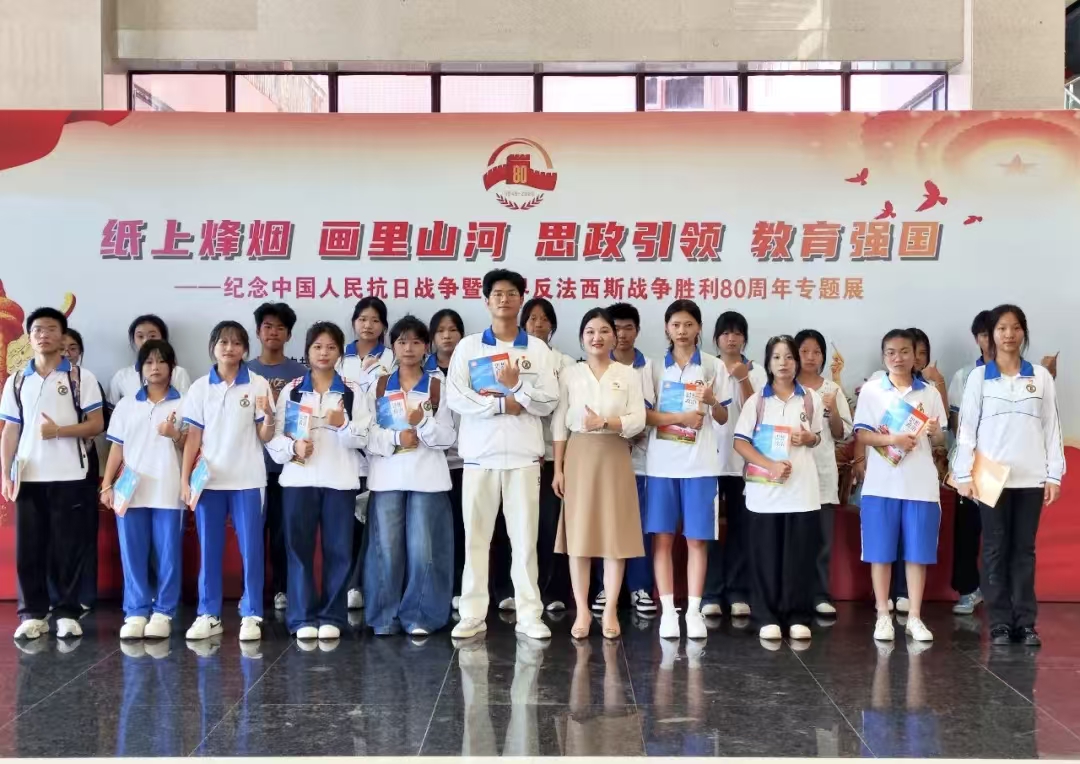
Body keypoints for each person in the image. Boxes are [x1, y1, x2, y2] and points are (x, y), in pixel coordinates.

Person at [447, 268, 559, 641]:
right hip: (479, 458)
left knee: (524, 541)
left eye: (512, 293)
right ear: (486, 300)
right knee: (476, 540)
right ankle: (472, 614)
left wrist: (518, 392)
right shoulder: (469, 347)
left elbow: (549, 401)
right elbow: (456, 397)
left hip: (524, 459)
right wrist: (500, 405)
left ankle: (529, 614)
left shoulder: (537, 349)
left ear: (521, 299)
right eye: (497, 293)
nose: (504, 299)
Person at [953, 304, 1064, 647]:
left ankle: (1025, 623)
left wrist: (1054, 475)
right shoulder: (979, 378)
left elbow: (1052, 428)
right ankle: (1000, 622)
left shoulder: (1040, 377)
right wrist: (963, 474)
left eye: (1015, 328)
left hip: (1031, 478)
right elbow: (966, 430)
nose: (1009, 335)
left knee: (1024, 551)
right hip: (991, 477)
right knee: (994, 550)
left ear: (1023, 333)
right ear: (991, 335)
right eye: (1001, 328)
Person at [2, 307, 105, 640]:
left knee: (68, 547)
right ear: (29, 337)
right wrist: (6, 474)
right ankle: (33, 614)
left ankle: (67, 612)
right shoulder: (17, 380)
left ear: (62, 337)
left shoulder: (80, 378)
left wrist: (59, 431)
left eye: (50, 329)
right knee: (29, 548)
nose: (43, 334)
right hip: (29, 476)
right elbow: (10, 430)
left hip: (71, 475)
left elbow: (96, 424)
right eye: (37, 330)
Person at [267, 321, 369, 641]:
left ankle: (332, 617)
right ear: (307, 351)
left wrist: (343, 425)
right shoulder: (292, 389)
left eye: (331, 347)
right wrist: (292, 447)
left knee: (339, 551)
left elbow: (364, 437)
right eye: (317, 347)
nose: (324, 353)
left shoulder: (352, 390)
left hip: (340, 481)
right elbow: (274, 438)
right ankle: (301, 617)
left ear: (340, 352)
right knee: (298, 551)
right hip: (299, 481)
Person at [551, 308, 646, 639]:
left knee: (613, 537)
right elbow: (559, 423)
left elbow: (638, 419)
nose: (597, 337)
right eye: (590, 331)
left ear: (614, 337)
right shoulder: (570, 374)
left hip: (615, 454)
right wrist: (558, 468)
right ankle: (581, 610)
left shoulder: (628, 374)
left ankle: (609, 611)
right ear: (582, 338)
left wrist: (606, 421)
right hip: (579, 455)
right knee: (579, 538)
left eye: (604, 331)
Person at [181, 321, 275, 643]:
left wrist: (269, 416)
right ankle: (209, 614)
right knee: (209, 550)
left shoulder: (258, 384)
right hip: (209, 482)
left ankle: (251, 614)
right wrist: (185, 481)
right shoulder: (200, 388)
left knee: (251, 550)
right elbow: (193, 438)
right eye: (223, 342)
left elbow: (265, 435)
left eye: (236, 343)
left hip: (248, 480)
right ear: (213, 347)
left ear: (245, 349)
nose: (229, 348)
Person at [365, 315, 457, 636]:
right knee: (386, 550)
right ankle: (384, 617)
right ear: (392, 346)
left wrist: (423, 424)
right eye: (402, 342)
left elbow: (448, 436)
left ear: (426, 346)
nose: (408, 348)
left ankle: (421, 616)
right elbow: (367, 434)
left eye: (416, 342)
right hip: (387, 478)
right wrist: (396, 438)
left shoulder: (437, 385)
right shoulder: (379, 385)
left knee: (424, 550)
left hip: (427, 479)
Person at [854, 329, 947, 643]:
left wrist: (934, 431)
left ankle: (915, 617)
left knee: (917, 553)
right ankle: (883, 614)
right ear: (884, 356)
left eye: (905, 351)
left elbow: (940, 438)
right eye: (891, 352)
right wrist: (893, 439)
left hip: (920, 485)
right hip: (881, 485)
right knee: (880, 552)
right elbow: (862, 434)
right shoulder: (872, 391)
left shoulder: (929, 393)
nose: (898, 358)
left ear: (915, 355)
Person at [645, 300, 730, 641]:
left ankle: (693, 611)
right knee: (663, 539)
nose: (682, 331)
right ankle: (668, 611)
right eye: (676, 325)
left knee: (697, 540)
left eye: (688, 324)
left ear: (699, 328)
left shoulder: (713, 367)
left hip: (700, 466)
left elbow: (723, 417)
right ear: (667, 328)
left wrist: (711, 401)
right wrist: (679, 418)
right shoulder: (653, 368)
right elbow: (645, 415)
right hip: (661, 466)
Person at [734, 335, 824, 642]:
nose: (783, 363)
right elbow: (740, 443)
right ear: (768, 363)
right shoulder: (757, 401)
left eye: (788, 357)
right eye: (776, 357)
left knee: (799, 557)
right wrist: (769, 465)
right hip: (765, 494)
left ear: (796, 362)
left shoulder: (810, 398)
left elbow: (818, 437)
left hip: (802, 491)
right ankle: (765, 615)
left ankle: (797, 615)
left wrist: (810, 438)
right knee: (765, 557)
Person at [100, 339, 186, 640]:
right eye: (148, 362)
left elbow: (192, 447)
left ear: (172, 367)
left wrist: (174, 434)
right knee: (132, 554)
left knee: (168, 555)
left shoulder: (185, 403)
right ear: (140, 368)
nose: (155, 367)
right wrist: (106, 484)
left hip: (169, 488)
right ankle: (135, 611)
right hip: (130, 490)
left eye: (161, 361)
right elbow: (116, 448)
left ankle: (163, 612)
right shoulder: (127, 404)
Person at [591, 302, 657, 616]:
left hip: (641, 462)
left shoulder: (650, 367)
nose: (621, 334)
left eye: (628, 327)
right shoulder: (594, 366)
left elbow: (652, 411)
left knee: (639, 526)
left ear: (637, 331)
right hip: (605, 460)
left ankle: (640, 587)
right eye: (615, 328)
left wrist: (636, 428)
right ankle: (605, 587)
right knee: (604, 524)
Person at [702, 311, 767, 619]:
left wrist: (743, 378)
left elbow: (760, 414)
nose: (731, 338)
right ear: (716, 338)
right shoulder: (706, 368)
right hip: (709, 461)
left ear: (745, 338)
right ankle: (711, 593)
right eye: (726, 333)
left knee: (742, 529)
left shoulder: (758, 372)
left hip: (744, 463)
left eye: (738, 333)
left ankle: (738, 591)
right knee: (710, 530)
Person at [247, 302, 307, 614]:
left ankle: (282, 588)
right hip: (250, 468)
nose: (274, 332)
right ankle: (253, 591)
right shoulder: (245, 371)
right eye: (268, 326)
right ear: (258, 332)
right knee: (253, 533)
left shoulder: (300, 373)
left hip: (286, 467)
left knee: (285, 533)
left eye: (280, 327)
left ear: (289, 335)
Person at [339, 296, 395, 612]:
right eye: (362, 319)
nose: (368, 325)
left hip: (380, 451)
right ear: (354, 323)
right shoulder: (340, 357)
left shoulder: (392, 357)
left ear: (384, 326)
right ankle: (350, 584)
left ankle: (364, 584)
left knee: (375, 525)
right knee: (348, 526)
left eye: (375, 320)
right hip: (346, 452)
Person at [519, 296, 574, 613]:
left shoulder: (563, 362)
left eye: (543, 319)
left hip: (554, 457)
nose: (538, 324)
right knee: (521, 527)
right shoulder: (513, 357)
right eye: (532, 318)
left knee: (551, 527)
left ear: (552, 325)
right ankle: (520, 590)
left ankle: (552, 591)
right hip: (521, 455)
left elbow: (562, 410)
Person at [794, 329, 853, 617]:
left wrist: (833, 412)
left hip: (822, 472)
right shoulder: (785, 386)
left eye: (816, 352)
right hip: (791, 473)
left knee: (822, 539)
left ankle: (820, 594)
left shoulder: (832, 390)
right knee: (793, 538)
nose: (810, 357)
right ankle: (793, 594)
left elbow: (842, 435)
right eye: (804, 351)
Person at [946, 309, 993, 616]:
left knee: (1001, 533)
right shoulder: (965, 375)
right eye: (985, 334)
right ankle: (968, 591)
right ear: (977, 339)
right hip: (972, 464)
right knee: (967, 530)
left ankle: (1001, 591)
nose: (991, 340)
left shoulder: (1022, 375)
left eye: (996, 332)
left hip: (1006, 464)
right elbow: (953, 421)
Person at [61, 327, 109, 611]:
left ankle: (85, 594)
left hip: (83, 463)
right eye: (62, 347)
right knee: (52, 534)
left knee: (84, 530)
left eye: (73, 348)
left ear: (80, 352)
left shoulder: (89, 381)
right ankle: (54, 596)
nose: (67, 353)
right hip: (47, 468)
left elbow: (99, 423)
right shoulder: (33, 381)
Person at [426, 309, 466, 610]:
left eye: (453, 330)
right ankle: (434, 589)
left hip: (465, 462)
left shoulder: (471, 367)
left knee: (462, 530)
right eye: (440, 330)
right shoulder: (420, 371)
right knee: (431, 532)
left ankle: (459, 588)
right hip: (430, 463)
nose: (447, 336)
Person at [107, 315, 192, 406]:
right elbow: (111, 411)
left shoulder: (178, 373)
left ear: (163, 339)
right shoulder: (121, 376)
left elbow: (188, 407)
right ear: (134, 340)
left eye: (152, 336)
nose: (146, 341)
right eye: (140, 336)